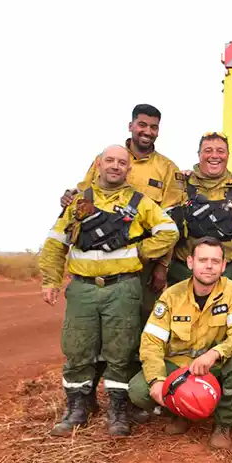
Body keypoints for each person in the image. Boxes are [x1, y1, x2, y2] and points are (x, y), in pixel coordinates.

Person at [40, 145, 179, 437]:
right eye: (110, 161)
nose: (115, 166)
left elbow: (169, 230)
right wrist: (51, 280)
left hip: (122, 288)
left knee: (121, 351)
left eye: (121, 163)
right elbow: (55, 242)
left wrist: (141, 252)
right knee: (78, 349)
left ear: (129, 169)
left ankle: (118, 410)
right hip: (83, 289)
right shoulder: (79, 202)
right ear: (98, 165)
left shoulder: (140, 203)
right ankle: (77, 407)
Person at [59, 105, 184, 418]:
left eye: (154, 127)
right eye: (143, 125)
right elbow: (86, 197)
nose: (148, 131)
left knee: (132, 332)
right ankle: (84, 398)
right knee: (93, 333)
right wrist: (70, 199)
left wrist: (161, 266)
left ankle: (126, 399)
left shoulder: (167, 168)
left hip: (143, 265)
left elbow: (170, 222)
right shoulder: (107, 158)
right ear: (131, 126)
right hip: (102, 263)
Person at [128, 237, 232, 449]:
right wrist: (157, 381)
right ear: (190, 263)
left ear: (223, 266)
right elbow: (151, 342)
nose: (208, 266)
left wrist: (215, 353)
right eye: (203, 260)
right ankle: (181, 414)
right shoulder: (171, 296)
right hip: (179, 367)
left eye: (215, 261)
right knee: (139, 390)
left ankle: (223, 424)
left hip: (215, 365)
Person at [166, 132, 232, 286]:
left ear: (228, 155)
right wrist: (162, 267)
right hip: (183, 271)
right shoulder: (180, 185)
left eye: (220, 151)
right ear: (199, 154)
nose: (214, 156)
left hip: (226, 273)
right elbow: (166, 230)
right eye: (208, 150)